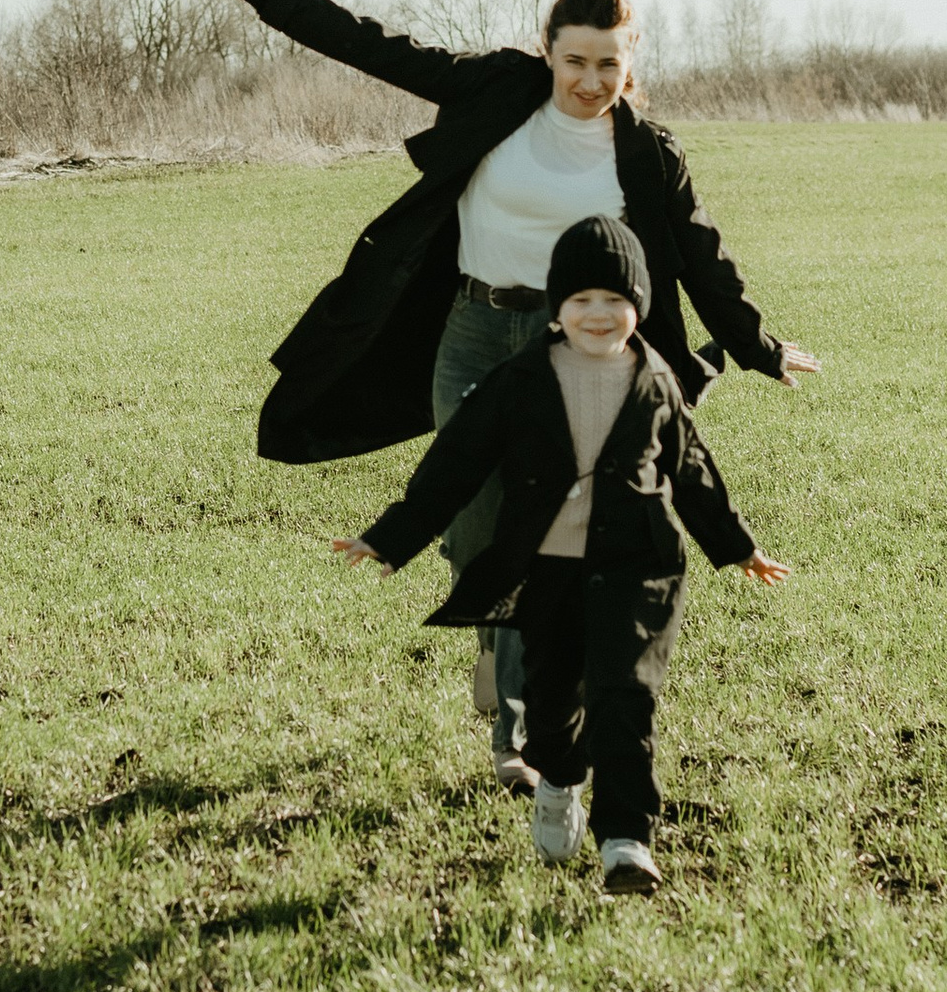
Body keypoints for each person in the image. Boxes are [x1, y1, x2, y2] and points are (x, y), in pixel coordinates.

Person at [226, 0, 817, 757]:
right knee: (473, 524)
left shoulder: (644, 154)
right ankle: (493, 634)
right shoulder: (499, 90)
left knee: (537, 536)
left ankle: (518, 730)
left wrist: (759, 344)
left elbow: (700, 251)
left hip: (570, 353)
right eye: (576, 61)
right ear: (548, 51)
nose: (590, 81)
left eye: (609, 64)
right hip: (469, 333)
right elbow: (380, 51)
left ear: (630, 62)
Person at [334, 215, 787, 896]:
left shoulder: (654, 378)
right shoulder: (521, 379)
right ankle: (560, 781)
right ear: (557, 305)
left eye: (615, 300)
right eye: (581, 301)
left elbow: (692, 468)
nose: (598, 315)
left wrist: (736, 543)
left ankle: (628, 839)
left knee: (625, 695)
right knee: (552, 700)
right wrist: (393, 534)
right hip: (548, 572)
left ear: (638, 305)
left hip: (638, 567)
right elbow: (455, 463)